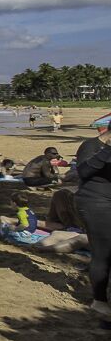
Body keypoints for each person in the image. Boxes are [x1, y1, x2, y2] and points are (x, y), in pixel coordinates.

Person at [75, 115, 111, 318]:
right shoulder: (91, 146)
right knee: (103, 251)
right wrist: (108, 149)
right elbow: (84, 171)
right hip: (94, 203)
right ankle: (99, 300)